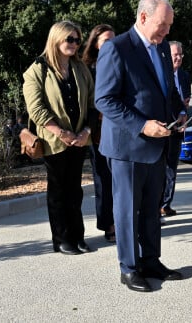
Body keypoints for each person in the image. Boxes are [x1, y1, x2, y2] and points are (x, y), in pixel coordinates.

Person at [94, 0, 186, 293]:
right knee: (126, 210)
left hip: (158, 145)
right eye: (163, 24)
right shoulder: (116, 48)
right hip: (128, 147)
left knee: (151, 208)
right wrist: (142, 125)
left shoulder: (160, 49)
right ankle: (129, 268)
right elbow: (104, 99)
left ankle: (151, 261)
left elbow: (167, 90)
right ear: (144, 17)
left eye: (170, 25)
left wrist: (180, 112)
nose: (167, 31)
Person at [23, 20, 95, 255]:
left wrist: (86, 131)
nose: (75, 44)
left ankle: (78, 236)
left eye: (77, 40)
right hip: (54, 140)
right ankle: (62, 239)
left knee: (75, 189)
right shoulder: (37, 70)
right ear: (56, 40)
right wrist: (62, 133)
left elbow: (93, 102)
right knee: (58, 190)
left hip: (80, 138)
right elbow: (36, 108)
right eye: (70, 39)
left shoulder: (80, 68)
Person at [81, 23, 116, 242]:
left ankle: (123, 221)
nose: (110, 44)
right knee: (103, 178)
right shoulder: (86, 68)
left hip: (121, 128)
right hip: (99, 131)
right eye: (105, 40)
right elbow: (86, 102)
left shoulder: (120, 63)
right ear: (95, 43)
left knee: (121, 179)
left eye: (113, 39)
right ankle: (108, 224)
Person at [160, 41, 191, 218]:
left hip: (179, 127)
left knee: (172, 168)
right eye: (175, 55)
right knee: (160, 169)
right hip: (163, 128)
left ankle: (166, 204)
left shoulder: (184, 76)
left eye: (180, 55)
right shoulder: (162, 75)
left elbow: (185, 101)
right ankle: (158, 203)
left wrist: (183, 114)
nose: (178, 58)